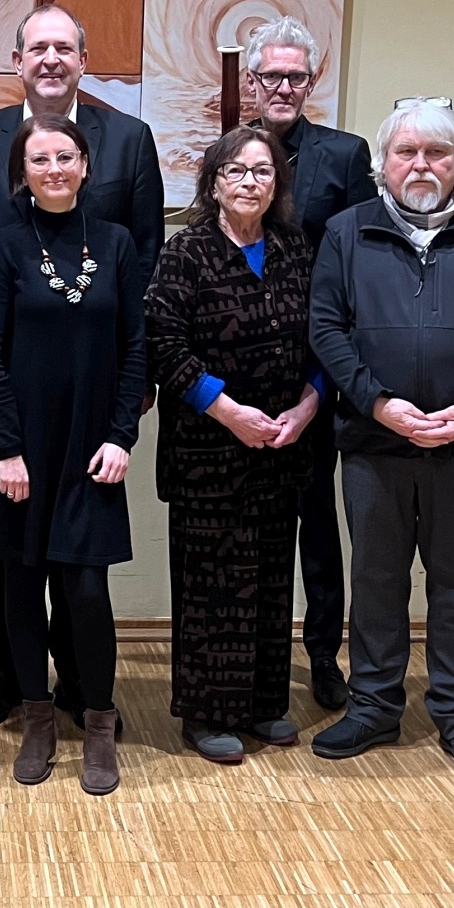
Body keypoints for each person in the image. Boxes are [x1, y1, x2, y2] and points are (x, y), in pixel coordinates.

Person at [308, 97, 454, 784]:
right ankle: (375, 705)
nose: (421, 165)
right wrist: (378, 404)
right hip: (375, 443)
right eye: (406, 152)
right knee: (376, 581)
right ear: (383, 163)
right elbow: (326, 328)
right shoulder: (348, 233)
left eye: (436, 153)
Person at [0, 3, 165, 733]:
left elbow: (146, 263)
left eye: (63, 48)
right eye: (36, 47)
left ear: (81, 59)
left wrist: (134, 395)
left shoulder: (128, 141)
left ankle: (81, 682)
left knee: (79, 559)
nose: (49, 59)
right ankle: (7, 674)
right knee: (10, 549)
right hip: (3, 379)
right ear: (17, 61)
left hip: (93, 381)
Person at [0, 114, 147, 794]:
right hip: (20, 455)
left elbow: (136, 348)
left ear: (85, 165)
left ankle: (98, 722)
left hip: (91, 450)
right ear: (24, 174)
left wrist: (121, 435)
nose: (54, 169)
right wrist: (5, 449)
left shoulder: (118, 244)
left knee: (88, 593)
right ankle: (37, 716)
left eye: (64, 156)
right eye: (39, 160)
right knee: (20, 591)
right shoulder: (6, 247)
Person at [146, 126, 321, 763]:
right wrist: (228, 410)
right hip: (209, 451)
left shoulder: (295, 248)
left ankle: (264, 703)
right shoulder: (185, 252)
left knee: (274, 580)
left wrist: (308, 404)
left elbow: (323, 336)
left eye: (263, 171)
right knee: (213, 586)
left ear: (278, 185)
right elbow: (165, 346)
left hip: (283, 444)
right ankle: (208, 712)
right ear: (214, 184)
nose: (251, 181)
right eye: (237, 171)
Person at [242, 15, 376, 712]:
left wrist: (323, 385)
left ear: (312, 80)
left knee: (317, 524)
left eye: (296, 75)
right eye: (272, 75)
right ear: (252, 81)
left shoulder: (346, 155)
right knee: (253, 525)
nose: (284, 86)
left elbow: (361, 266)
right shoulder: (231, 152)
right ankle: (256, 651)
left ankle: (323, 654)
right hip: (243, 373)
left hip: (319, 370)